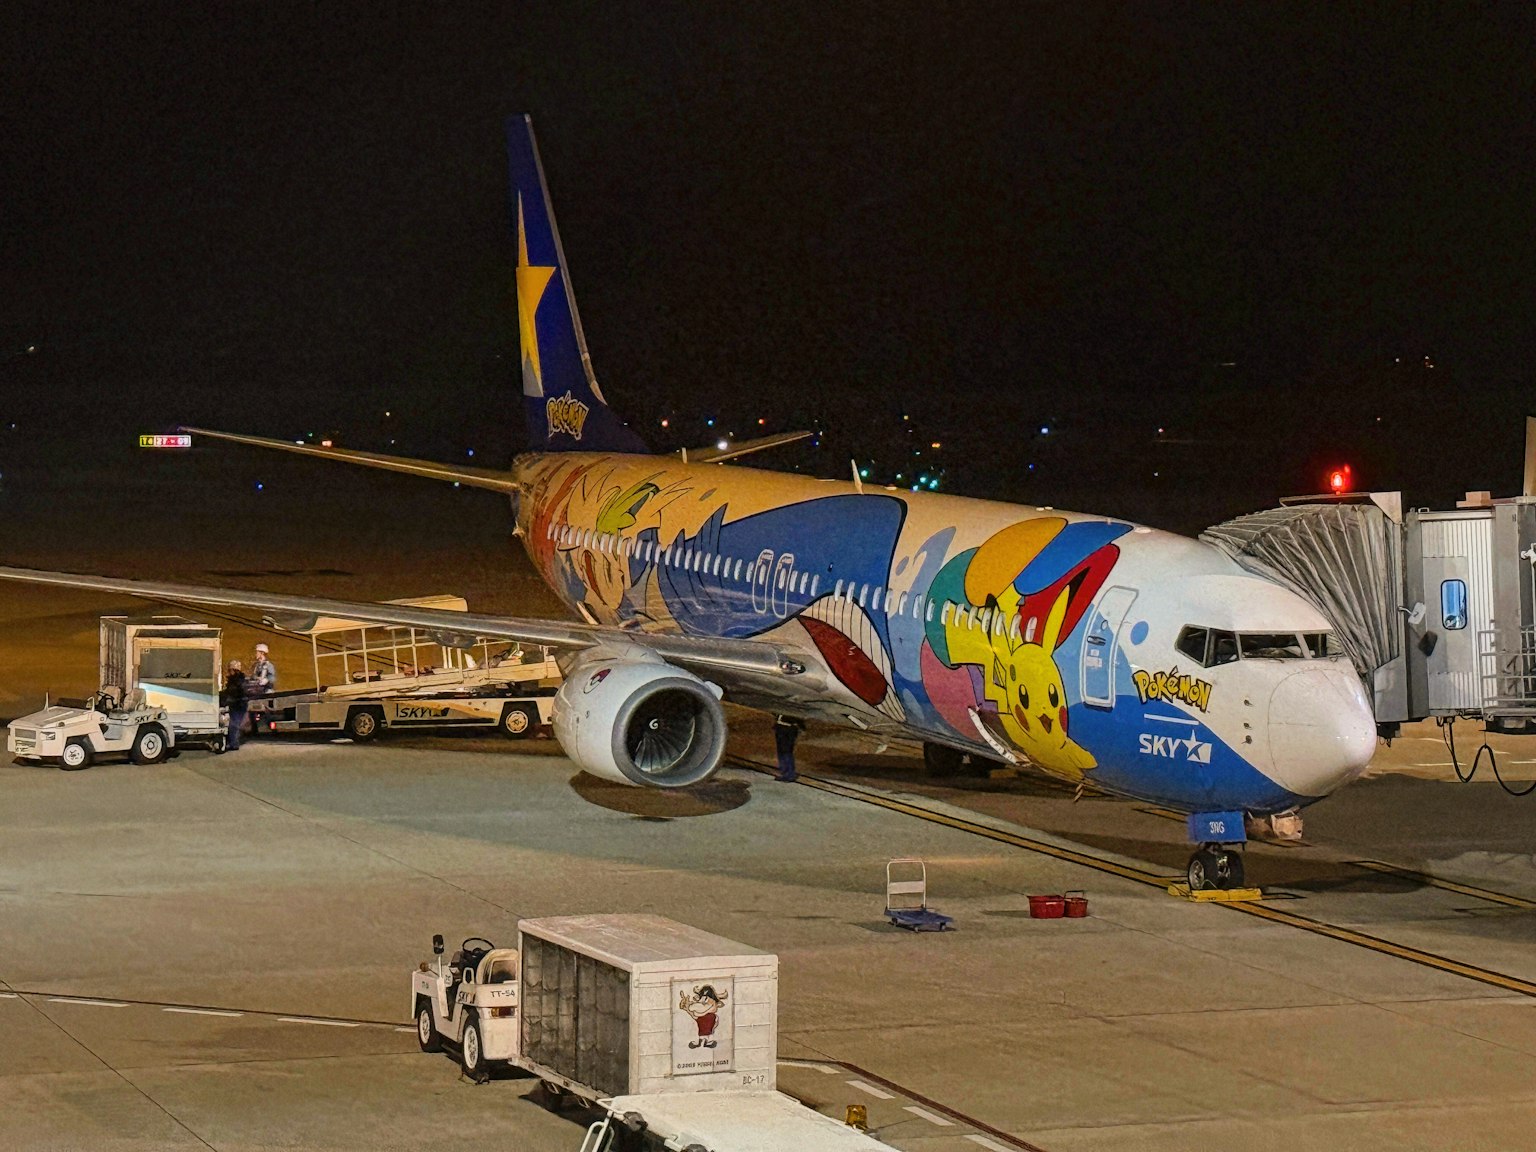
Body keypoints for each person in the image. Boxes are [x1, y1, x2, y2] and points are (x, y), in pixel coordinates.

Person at [222, 660, 248, 751]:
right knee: (233, 724)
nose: (229, 672)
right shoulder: (237, 680)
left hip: (238, 704)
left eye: (230, 670)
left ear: (234, 670)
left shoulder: (238, 681)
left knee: (234, 724)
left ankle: (233, 743)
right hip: (236, 704)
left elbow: (235, 692)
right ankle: (232, 742)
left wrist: (227, 698)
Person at [773, 714, 805, 782]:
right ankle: (785, 772)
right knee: (781, 752)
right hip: (781, 727)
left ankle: (789, 774)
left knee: (786, 752)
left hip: (788, 728)